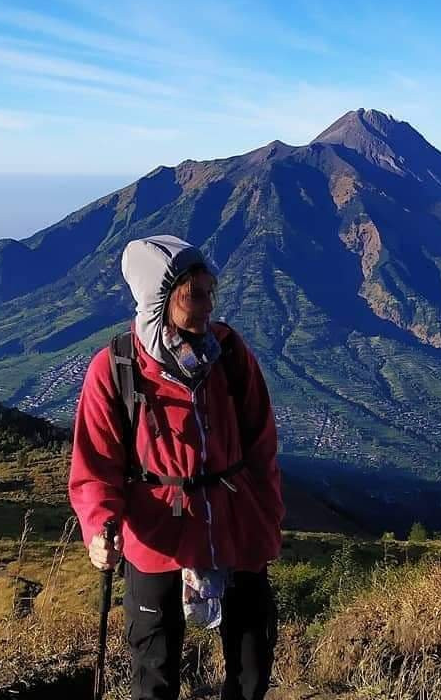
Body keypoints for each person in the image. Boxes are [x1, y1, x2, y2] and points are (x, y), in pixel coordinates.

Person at [69, 235, 285, 700]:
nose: (209, 305)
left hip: (235, 527)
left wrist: (267, 520)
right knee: (154, 670)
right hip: (155, 537)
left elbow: (261, 443)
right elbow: (96, 465)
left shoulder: (229, 353)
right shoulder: (116, 369)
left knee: (252, 663)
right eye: (196, 294)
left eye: (211, 291)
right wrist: (98, 528)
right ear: (158, 300)